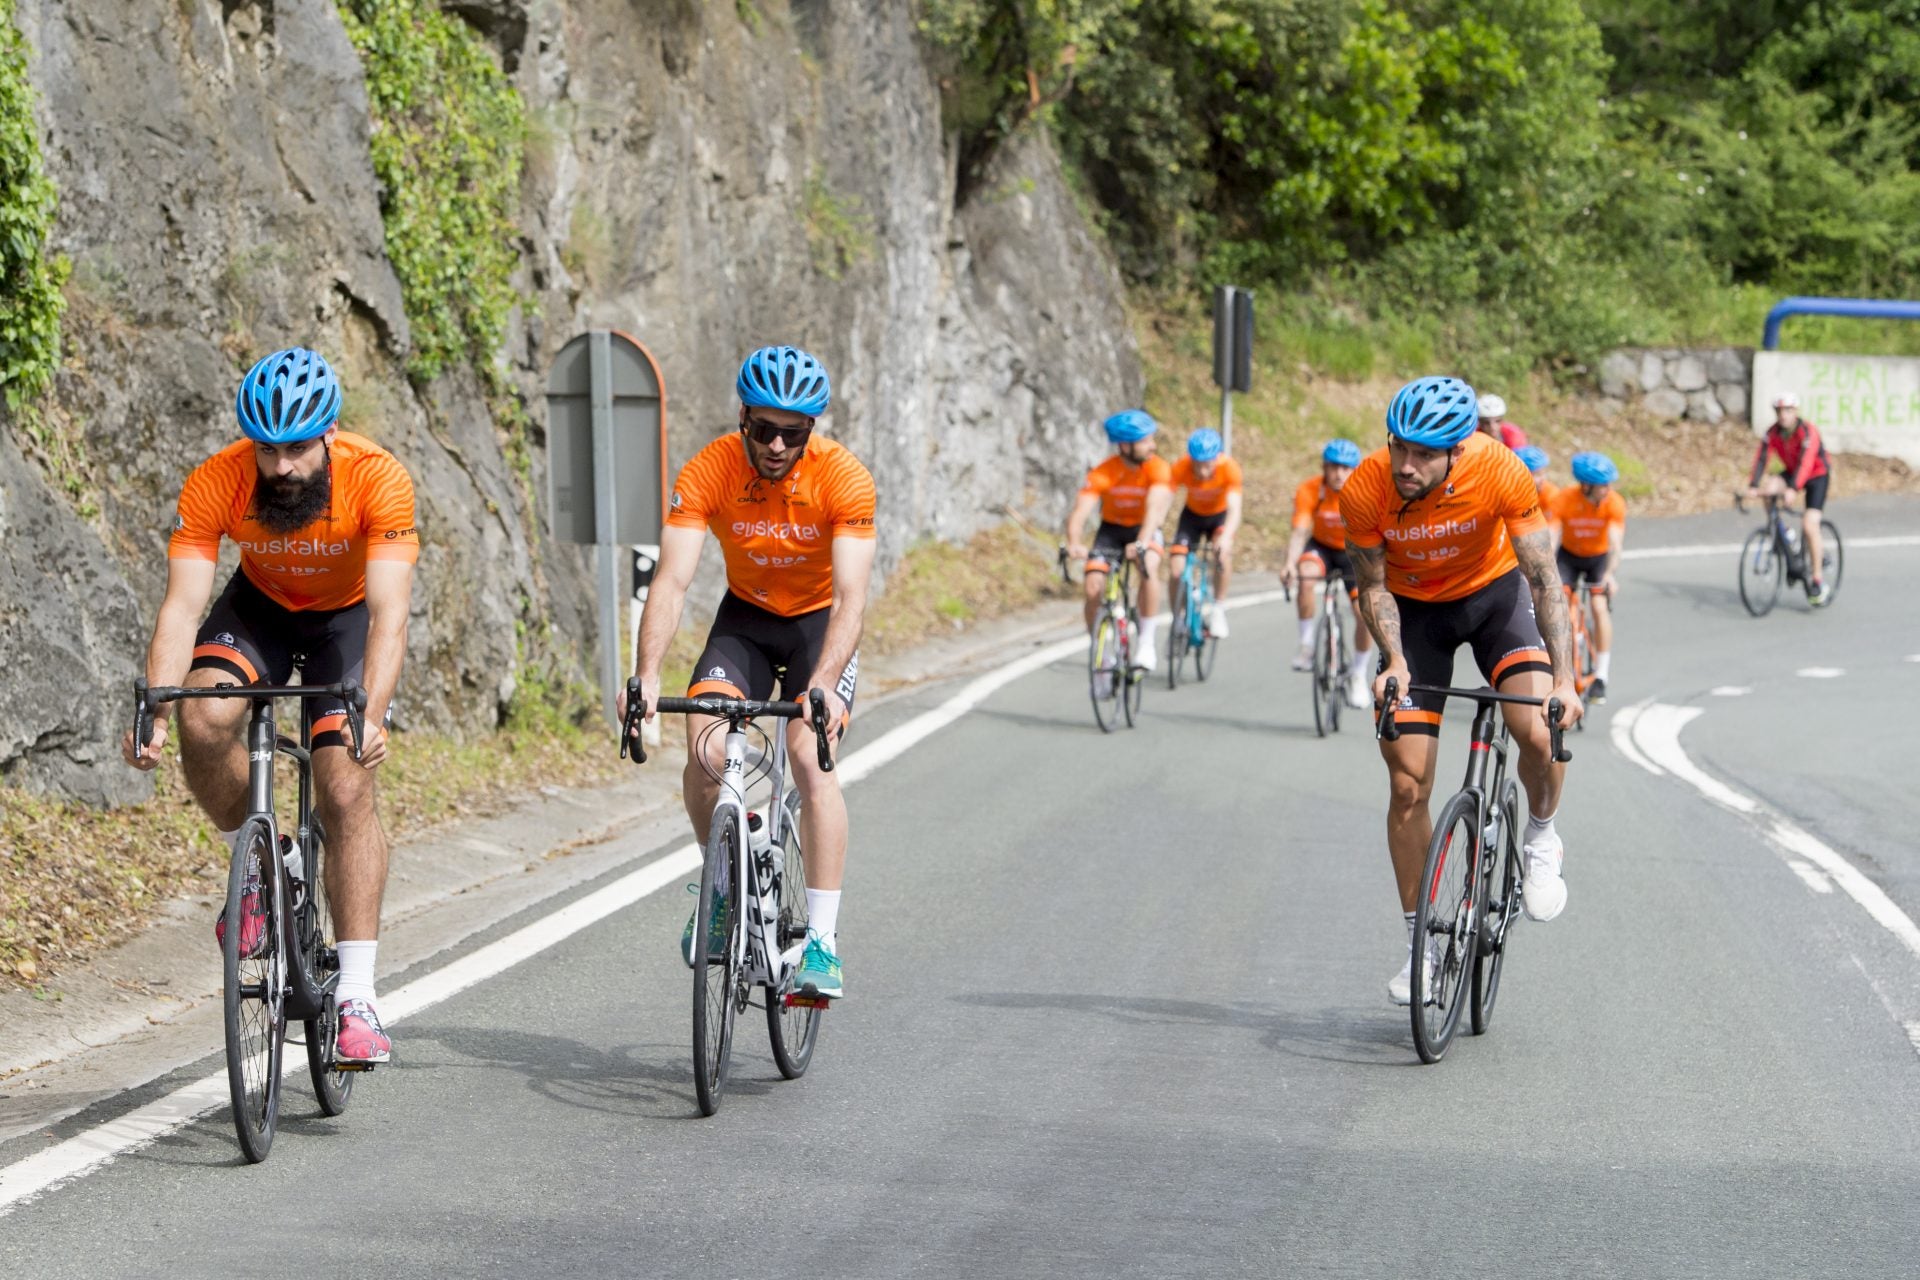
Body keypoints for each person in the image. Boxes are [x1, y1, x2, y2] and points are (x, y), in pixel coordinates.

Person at [122, 347, 418, 1065]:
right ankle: (264, 865)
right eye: (266, 450)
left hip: (344, 621)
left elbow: (390, 616)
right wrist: (156, 704)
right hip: (259, 609)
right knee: (201, 713)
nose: (281, 468)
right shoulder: (218, 480)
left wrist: (369, 716)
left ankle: (356, 996)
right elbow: (183, 603)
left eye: (295, 450)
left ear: (329, 434)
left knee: (344, 784)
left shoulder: (378, 479)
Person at [620, 345, 874, 1002]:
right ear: (743, 418)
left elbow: (850, 598)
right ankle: (723, 889)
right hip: (747, 621)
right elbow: (672, 582)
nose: (777, 445)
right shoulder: (710, 468)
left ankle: (821, 940)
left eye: (794, 433)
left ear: (811, 431)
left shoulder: (843, 479)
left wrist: (822, 683)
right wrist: (646, 675)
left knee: (809, 758)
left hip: (818, 628)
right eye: (764, 429)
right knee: (704, 747)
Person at [1341, 376, 1584, 1006]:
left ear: (1458, 450)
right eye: (1400, 447)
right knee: (1405, 785)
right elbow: (1372, 587)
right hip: (1416, 616)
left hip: (1494, 600)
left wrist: (1564, 677)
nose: (1407, 464)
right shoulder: (1365, 488)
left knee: (1536, 728)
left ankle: (1540, 836)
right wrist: (1392, 659)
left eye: (1425, 454)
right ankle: (1421, 949)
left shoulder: (1499, 468)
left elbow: (1543, 579)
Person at [1064, 409, 1173, 671]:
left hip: (1143, 528)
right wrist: (1074, 542)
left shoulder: (1158, 468)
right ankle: (1100, 654)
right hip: (1111, 531)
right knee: (1092, 587)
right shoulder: (1104, 472)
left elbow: (1155, 508)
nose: (1152, 446)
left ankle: (1146, 642)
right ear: (1125, 446)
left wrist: (1142, 541)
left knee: (1148, 565)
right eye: (1145, 441)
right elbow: (1080, 513)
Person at [1280, 438, 1372, 708]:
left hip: (1353, 553)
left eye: (1346, 468)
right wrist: (1289, 563)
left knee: (1364, 613)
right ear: (1324, 467)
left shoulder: (1366, 492)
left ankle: (1357, 674)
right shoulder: (1310, 489)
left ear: (1356, 470)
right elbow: (1299, 530)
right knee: (1305, 576)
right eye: (1333, 467)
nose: (1339, 474)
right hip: (1320, 546)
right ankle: (1307, 646)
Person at [1549, 452, 1626, 703]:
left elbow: (1615, 546)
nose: (1608, 489)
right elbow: (1551, 539)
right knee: (1556, 602)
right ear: (1586, 486)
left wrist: (1609, 576)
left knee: (1598, 606)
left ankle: (1601, 675)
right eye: (1603, 485)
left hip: (1598, 559)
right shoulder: (1564, 499)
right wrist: (1544, 573)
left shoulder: (1614, 502)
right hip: (1569, 556)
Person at [1747, 392, 1833, 606]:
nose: (1783, 416)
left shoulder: (1807, 432)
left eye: (1788, 411)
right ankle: (1784, 534)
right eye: (1779, 411)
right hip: (1793, 472)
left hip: (1816, 475)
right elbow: (1761, 459)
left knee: (1809, 523)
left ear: (1795, 412)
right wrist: (1753, 485)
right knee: (1769, 490)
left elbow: (1806, 462)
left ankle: (1817, 580)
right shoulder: (1773, 433)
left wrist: (1793, 489)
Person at [1166, 427, 1242, 639]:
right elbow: (1165, 498)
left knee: (1222, 555)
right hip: (1192, 517)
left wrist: (1226, 538)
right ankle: (1178, 618)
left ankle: (1218, 608)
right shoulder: (1182, 466)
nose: (1202, 472)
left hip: (1218, 517)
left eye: (1207, 465)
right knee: (1175, 569)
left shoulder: (1230, 468)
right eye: (1197, 465)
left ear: (1217, 458)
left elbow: (1235, 508)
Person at [1516, 444, 1557, 511]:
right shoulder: (1510, 494)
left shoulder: (1550, 493)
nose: (1543, 479)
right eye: (1537, 474)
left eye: (1543, 473)